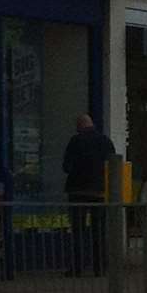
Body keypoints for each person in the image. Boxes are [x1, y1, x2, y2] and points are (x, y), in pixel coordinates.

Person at [62, 113, 115, 277]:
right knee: (98, 230)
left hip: (78, 191)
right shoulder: (105, 141)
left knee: (78, 231)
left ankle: (77, 267)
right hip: (98, 192)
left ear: (80, 125)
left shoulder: (75, 141)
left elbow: (66, 166)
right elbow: (113, 164)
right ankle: (99, 268)